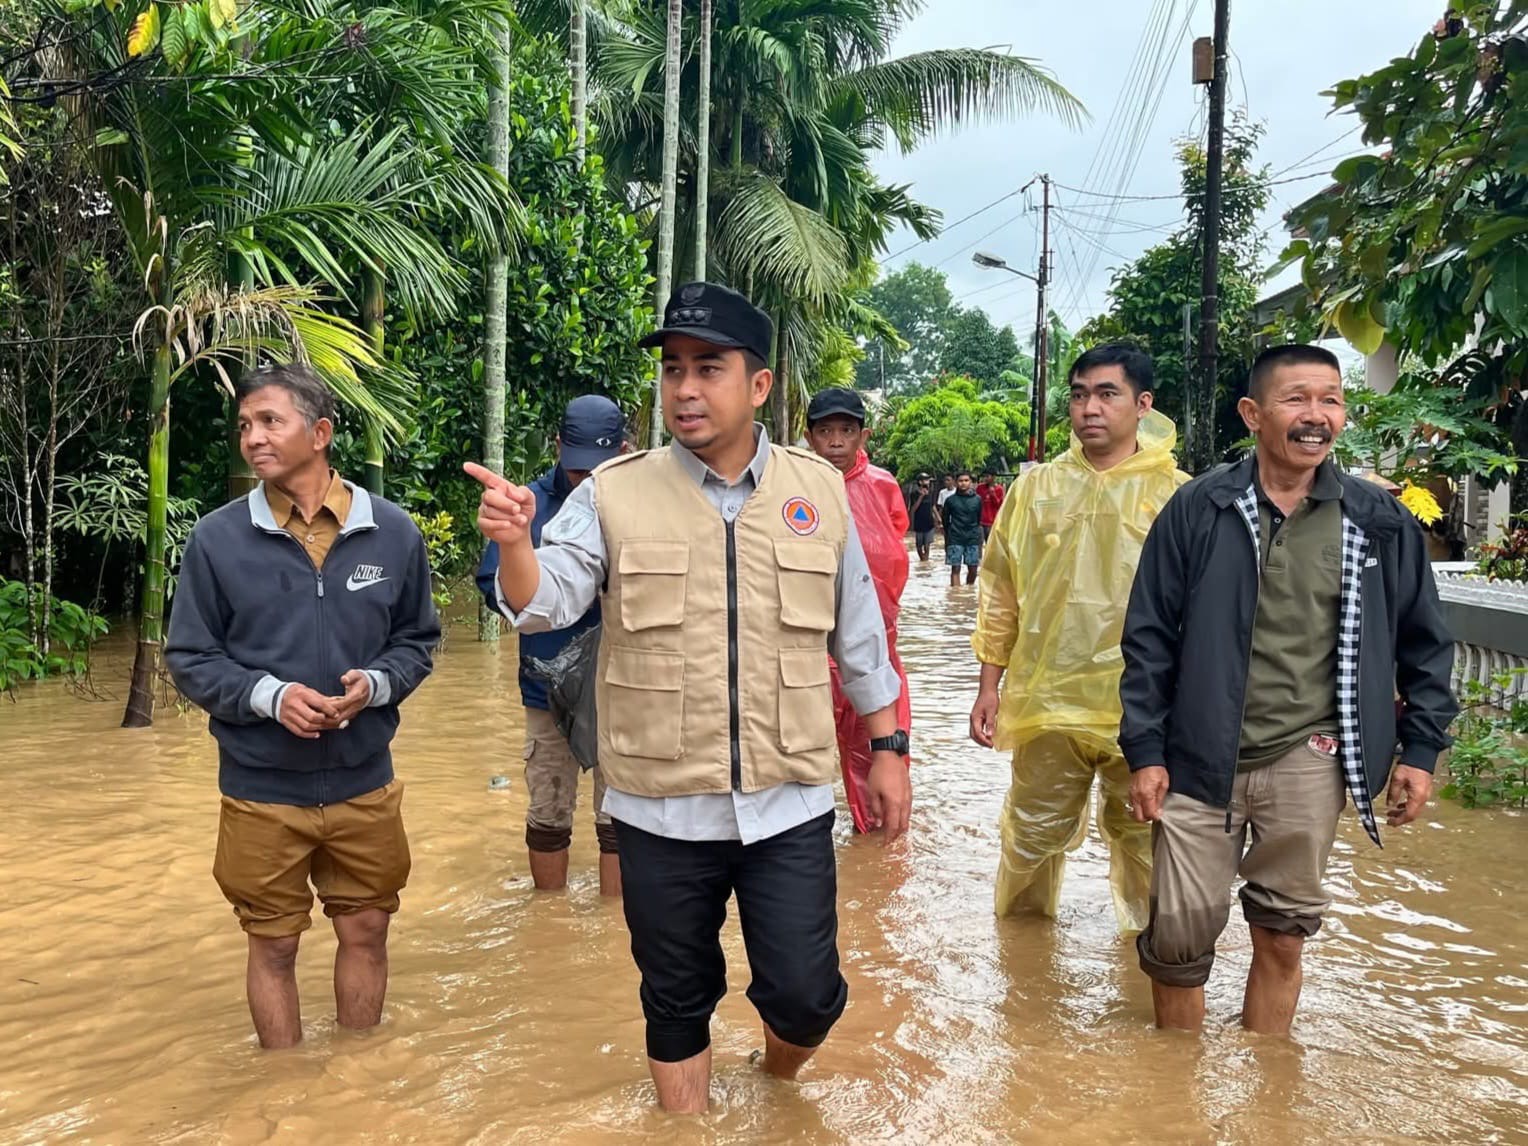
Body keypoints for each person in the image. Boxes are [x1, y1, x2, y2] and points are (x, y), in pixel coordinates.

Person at [466, 282, 912, 1114]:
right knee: (675, 999)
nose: (685, 388)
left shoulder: (818, 493)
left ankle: (774, 1087)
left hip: (788, 799)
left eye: (709, 368)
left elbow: (860, 637)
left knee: (809, 998)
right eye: (673, 369)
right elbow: (542, 602)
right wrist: (517, 542)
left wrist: (888, 750)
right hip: (659, 805)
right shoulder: (613, 491)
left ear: (760, 385)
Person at [1119, 343, 1457, 1035]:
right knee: (1178, 947)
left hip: (1311, 756)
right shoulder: (1200, 508)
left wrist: (1421, 753)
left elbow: (1424, 642)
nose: (1317, 415)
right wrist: (1145, 751)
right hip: (1196, 759)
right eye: (1297, 399)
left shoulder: (1377, 520)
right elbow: (1148, 636)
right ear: (1253, 413)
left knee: (1283, 932)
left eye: (1331, 400)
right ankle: (1174, 1090)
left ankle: (1268, 1085)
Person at [165, 363, 439, 1049]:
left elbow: (417, 641)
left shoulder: (393, 532)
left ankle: (356, 1078)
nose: (252, 438)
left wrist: (374, 685)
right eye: (244, 426)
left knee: (367, 928)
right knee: (273, 943)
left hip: (364, 780)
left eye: (269, 421)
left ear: (320, 433)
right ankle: (284, 1088)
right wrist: (271, 696)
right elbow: (190, 656)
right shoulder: (216, 540)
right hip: (260, 789)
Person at [969, 344, 1187, 933]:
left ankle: (1148, 961)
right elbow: (1001, 590)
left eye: (1107, 394)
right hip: (1047, 699)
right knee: (1030, 838)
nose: (1090, 408)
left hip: (1146, 710)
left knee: (1146, 843)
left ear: (1142, 404)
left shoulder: (1179, 496)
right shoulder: (1036, 489)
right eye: (1079, 394)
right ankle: (1021, 962)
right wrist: (989, 686)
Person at [475, 395, 629, 897]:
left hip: (624, 689)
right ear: (558, 447)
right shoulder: (527, 506)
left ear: (624, 451)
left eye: (596, 470)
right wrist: (551, 594)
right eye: (577, 468)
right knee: (548, 808)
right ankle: (547, 915)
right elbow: (492, 584)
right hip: (547, 687)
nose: (585, 481)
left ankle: (613, 922)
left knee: (620, 815)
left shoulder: (637, 505)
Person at [805, 387, 914, 835]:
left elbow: (895, 556)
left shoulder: (883, 486)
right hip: (809, 652)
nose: (835, 441)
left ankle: (877, 854)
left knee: (880, 756)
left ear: (863, 436)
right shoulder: (793, 488)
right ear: (809, 438)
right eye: (825, 431)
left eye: (846, 431)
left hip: (874, 647)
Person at [942, 472, 983, 586]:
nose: (963, 483)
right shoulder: (950, 500)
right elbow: (945, 521)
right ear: (956, 483)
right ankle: (956, 594)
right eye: (960, 481)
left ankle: (969, 591)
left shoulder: (977, 500)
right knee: (955, 568)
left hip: (972, 538)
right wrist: (947, 538)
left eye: (966, 480)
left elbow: (979, 519)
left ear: (970, 482)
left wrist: (978, 537)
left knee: (973, 569)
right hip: (955, 538)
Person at [910, 475, 938, 562]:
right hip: (918, 522)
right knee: (919, 545)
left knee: (927, 545)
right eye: (926, 480)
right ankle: (922, 559)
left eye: (928, 480)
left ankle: (925, 561)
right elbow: (913, 509)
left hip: (929, 522)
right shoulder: (914, 494)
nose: (928, 482)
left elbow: (933, 506)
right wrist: (921, 496)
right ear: (920, 482)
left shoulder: (930, 493)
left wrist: (938, 518)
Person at [976, 471, 1006, 542]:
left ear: (993, 477)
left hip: (991, 521)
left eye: (987, 476)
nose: (985, 478)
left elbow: (999, 505)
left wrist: (993, 494)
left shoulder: (999, 489)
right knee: (978, 543)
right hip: (980, 521)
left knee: (990, 543)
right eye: (984, 476)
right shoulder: (980, 487)